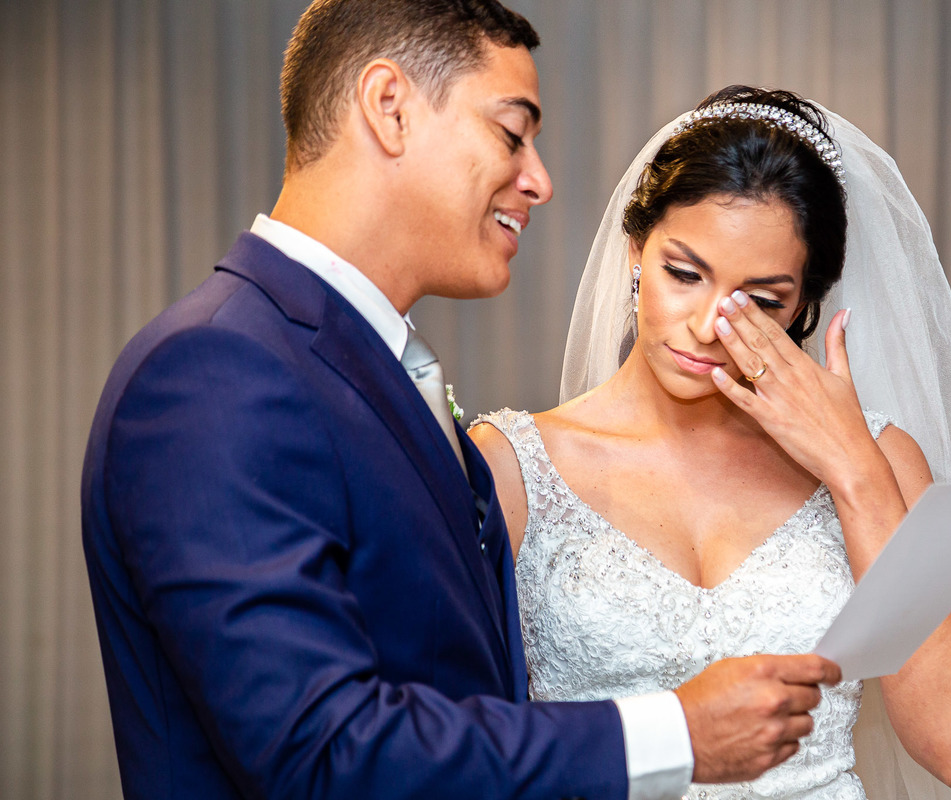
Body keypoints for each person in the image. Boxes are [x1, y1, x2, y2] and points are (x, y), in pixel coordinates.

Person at [79, 4, 842, 799]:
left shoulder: (370, 365)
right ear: (389, 107)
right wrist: (671, 735)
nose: (539, 180)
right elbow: (319, 754)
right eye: (513, 134)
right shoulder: (216, 370)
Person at [472, 86, 951, 799]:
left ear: (804, 304)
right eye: (684, 273)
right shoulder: (512, 466)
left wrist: (854, 470)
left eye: (761, 300)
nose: (710, 323)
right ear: (638, 250)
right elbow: (461, 739)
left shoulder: (880, 461)